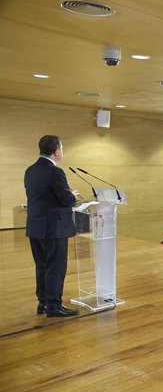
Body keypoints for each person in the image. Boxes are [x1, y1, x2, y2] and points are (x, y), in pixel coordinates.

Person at [25, 135, 80, 317]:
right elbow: (65, 199)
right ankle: (54, 306)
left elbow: (42, 197)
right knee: (55, 267)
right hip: (54, 228)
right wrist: (72, 194)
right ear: (56, 152)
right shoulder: (56, 172)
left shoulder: (30, 170)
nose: (62, 151)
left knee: (42, 265)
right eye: (62, 148)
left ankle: (43, 303)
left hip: (36, 227)